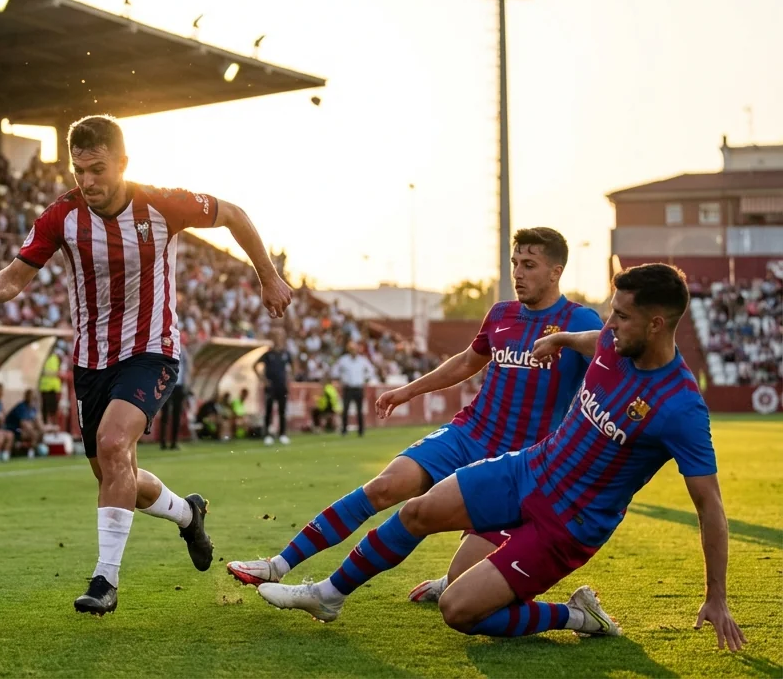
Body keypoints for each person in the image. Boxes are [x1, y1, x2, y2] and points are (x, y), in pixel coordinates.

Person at [256, 264, 747, 653]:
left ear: (656, 324)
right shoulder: (611, 341)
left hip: (567, 525)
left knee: (458, 610)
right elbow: (589, 340)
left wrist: (717, 597)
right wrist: (558, 340)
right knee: (417, 511)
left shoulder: (680, 407)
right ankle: (328, 596)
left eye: (621, 315)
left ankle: (577, 615)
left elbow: (711, 508)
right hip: (528, 469)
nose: (610, 323)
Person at [0, 114, 291, 615]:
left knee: (114, 444)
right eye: (79, 171)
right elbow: (17, 274)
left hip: (151, 350)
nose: (87, 181)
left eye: (97, 169)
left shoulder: (161, 203)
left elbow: (234, 214)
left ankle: (105, 581)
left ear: (123, 163)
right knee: (116, 474)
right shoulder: (61, 216)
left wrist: (268, 277)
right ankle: (187, 514)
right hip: (91, 361)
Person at [230, 229, 600, 611]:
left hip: (519, 465)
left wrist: (567, 340)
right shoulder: (502, 314)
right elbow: (466, 362)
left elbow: (615, 353)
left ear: (555, 272)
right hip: (469, 434)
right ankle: (278, 565)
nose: (518, 273)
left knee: (462, 585)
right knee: (384, 487)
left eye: (529, 265)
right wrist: (408, 391)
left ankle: (455, 583)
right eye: (515, 263)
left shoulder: (578, 319)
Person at [255, 333, 293, 445]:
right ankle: (267, 434)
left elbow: (293, 365)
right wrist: (264, 380)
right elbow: (255, 365)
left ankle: (282, 434)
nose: (278, 341)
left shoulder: (285, 354)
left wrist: (290, 378)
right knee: (269, 410)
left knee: (282, 411)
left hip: (282, 386)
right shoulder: (268, 354)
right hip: (271, 386)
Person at [332, 342, 376, 436]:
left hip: (358, 387)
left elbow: (371, 370)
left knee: (359, 410)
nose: (353, 351)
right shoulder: (343, 360)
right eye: (351, 349)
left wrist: (365, 378)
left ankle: (361, 430)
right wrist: (341, 378)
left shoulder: (362, 360)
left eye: (355, 349)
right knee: (345, 409)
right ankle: (344, 430)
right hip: (348, 387)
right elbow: (335, 371)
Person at [159, 344, 191, 450]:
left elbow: (187, 368)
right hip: (167, 384)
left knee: (176, 415)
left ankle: (174, 442)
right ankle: (163, 442)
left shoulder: (183, 350)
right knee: (165, 414)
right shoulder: (167, 348)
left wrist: (187, 384)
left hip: (179, 386)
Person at [39, 349, 63, 429]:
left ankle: (53, 425)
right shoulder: (44, 357)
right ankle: (47, 425)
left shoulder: (54, 358)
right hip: (46, 387)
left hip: (53, 388)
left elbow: (57, 372)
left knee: (53, 409)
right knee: (46, 408)